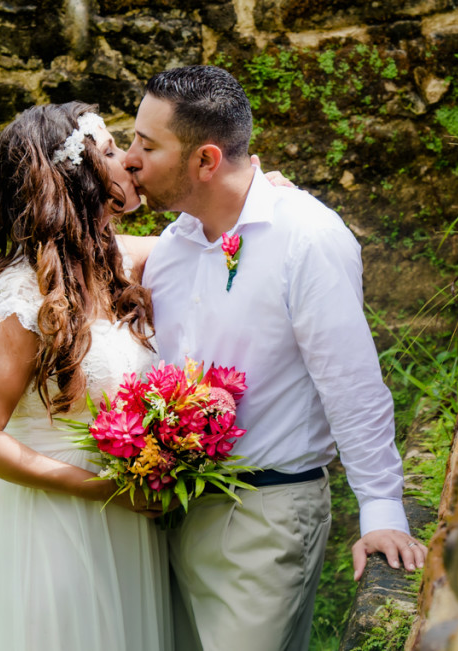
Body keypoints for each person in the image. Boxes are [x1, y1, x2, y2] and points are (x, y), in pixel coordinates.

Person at [123, 65, 428, 651]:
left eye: (147, 144)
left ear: (206, 161)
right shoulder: (173, 246)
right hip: (168, 515)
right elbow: (68, 248)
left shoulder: (306, 238)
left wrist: (382, 511)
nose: (131, 157)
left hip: (265, 517)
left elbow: (351, 383)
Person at [0, 101, 171, 651]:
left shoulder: (115, 262)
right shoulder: (19, 296)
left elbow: (210, 239)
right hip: (55, 517)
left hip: (125, 514)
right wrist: (104, 489)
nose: (132, 163)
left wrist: (261, 193)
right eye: (114, 152)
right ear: (80, 175)